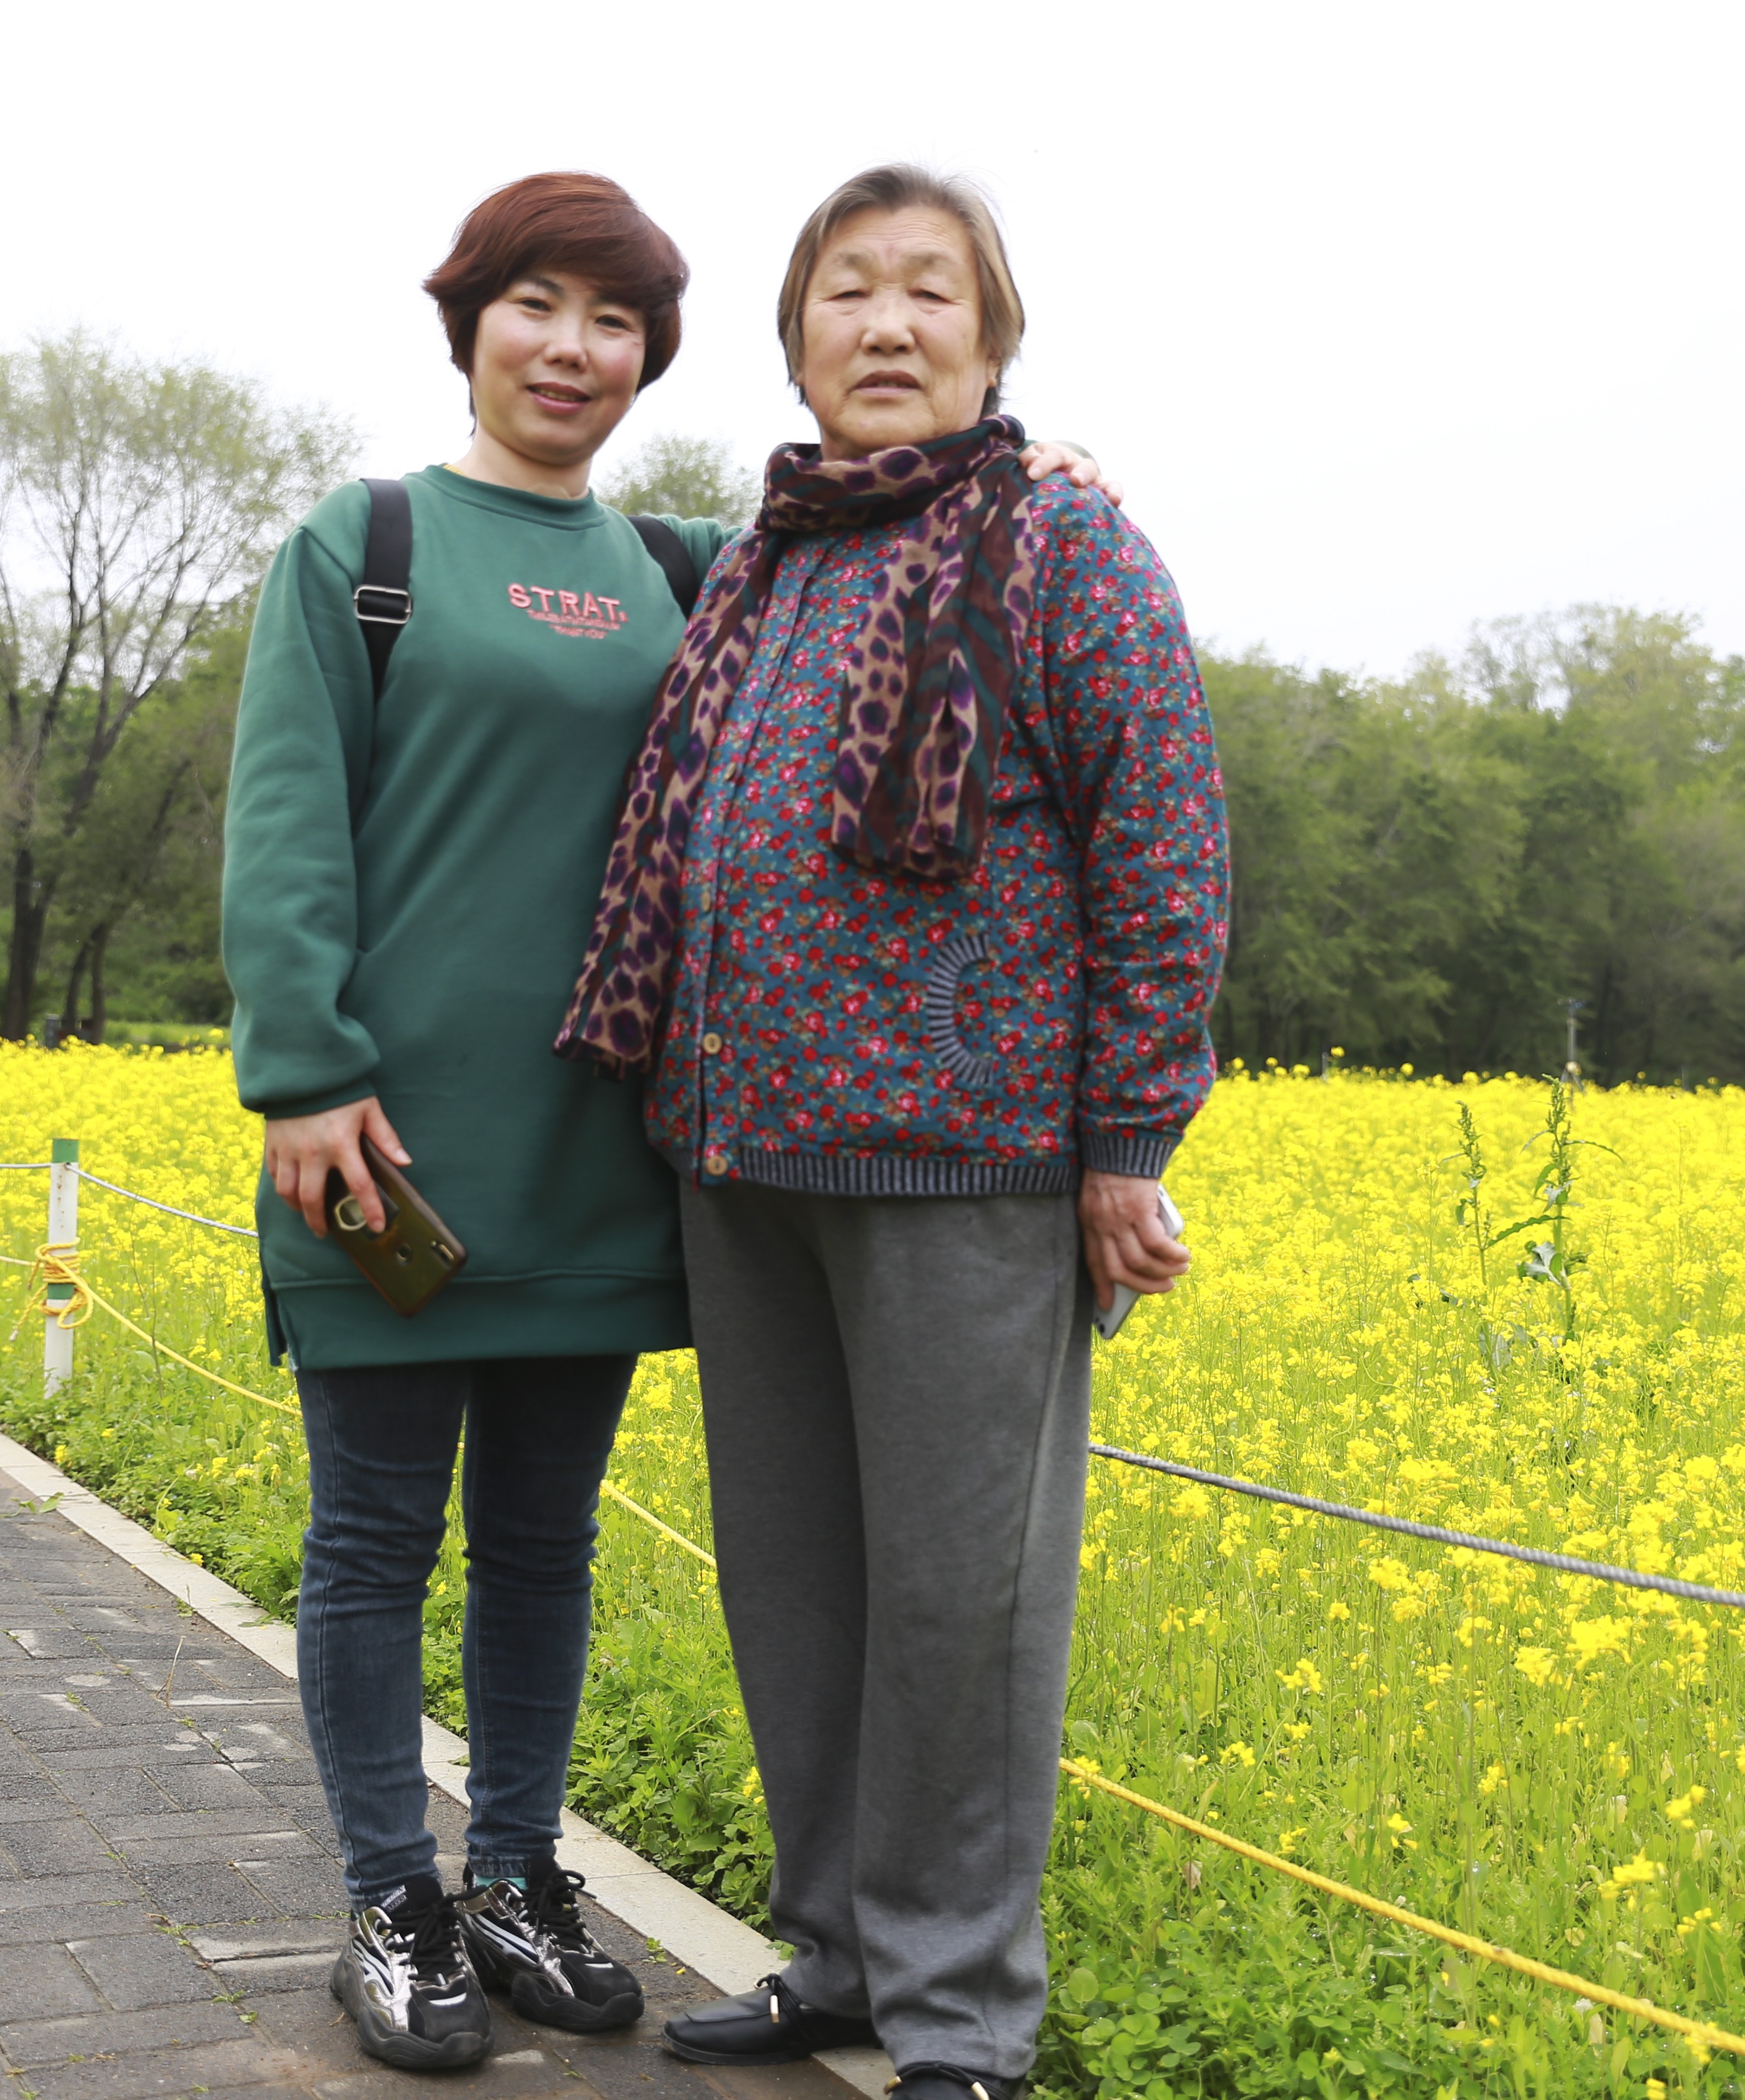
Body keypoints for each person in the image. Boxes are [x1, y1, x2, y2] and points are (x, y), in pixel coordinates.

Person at [219, 171, 1111, 2075]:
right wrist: (304, 1069)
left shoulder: (693, 568)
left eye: (613, 322)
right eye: (536, 307)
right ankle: (394, 1894)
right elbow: (284, 827)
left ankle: (522, 1875)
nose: (571, 349)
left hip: (602, 1156)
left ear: (654, 361)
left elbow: (911, 515)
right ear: (470, 325)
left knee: (546, 1545)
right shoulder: (362, 543)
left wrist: (1054, 471)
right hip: (381, 1152)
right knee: (376, 1540)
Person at [560, 164, 1230, 2100]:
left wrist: (1128, 1143)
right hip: (744, 1159)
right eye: (847, 292)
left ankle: (959, 2015)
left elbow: (1166, 861)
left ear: (991, 342)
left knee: (962, 1606)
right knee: (796, 1590)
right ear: (795, 344)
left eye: (931, 293)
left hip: (974, 1170)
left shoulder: (1068, 550)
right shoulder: (760, 556)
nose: (887, 325)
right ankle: (840, 1953)